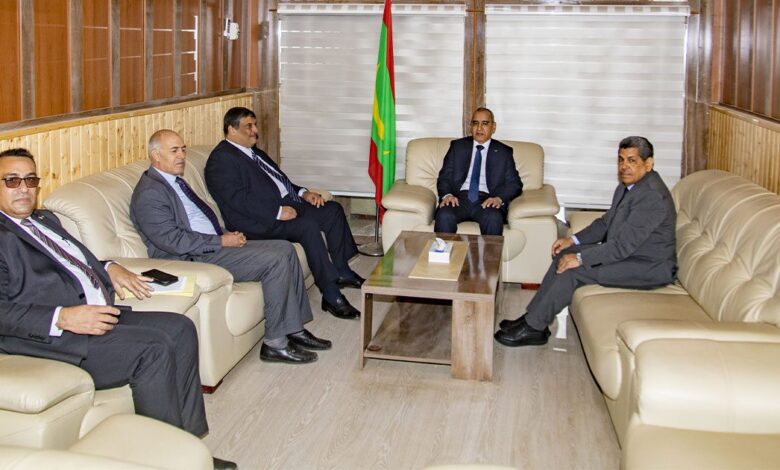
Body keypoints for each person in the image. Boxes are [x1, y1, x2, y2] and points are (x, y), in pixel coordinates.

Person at [0, 148, 236, 470]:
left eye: (30, 180)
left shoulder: (44, 219)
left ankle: (187, 448)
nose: (24, 188)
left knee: (180, 328)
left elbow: (75, 260)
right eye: (12, 181)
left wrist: (109, 266)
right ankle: (162, 461)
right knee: (152, 349)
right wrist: (63, 317)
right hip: (50, 336)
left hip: (96, 313)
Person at [130, 130, 331, 365]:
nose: (182, 156)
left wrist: (225, 233)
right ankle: (275, 343)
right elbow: (173, 241)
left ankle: (294, 329)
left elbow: (199, 219)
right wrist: (220, 242)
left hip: (212, 244)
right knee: (275, 260)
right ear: (155, 155)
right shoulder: (150, 193)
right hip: (191, 258)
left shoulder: (174, 181)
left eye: (183, 149)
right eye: (174, 151)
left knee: (285, 248)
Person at [495, 136, 677, 347]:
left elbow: (621, 247)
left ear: (648, 163)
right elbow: (606, 223)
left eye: (632, 161)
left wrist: (580, 258)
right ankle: (534, 318)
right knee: (564, 255)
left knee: (573, 271)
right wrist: (572, 240)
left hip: (648, 267)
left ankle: (534, 327)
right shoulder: (629, 186)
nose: (624, 167)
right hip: (630, 255)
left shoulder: (651, 196)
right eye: (621, 160)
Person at [205, 107, 362, 320]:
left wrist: (303, 193)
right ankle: (331, 294)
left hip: (283, 204)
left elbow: (281, 182)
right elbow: (238, 201)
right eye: (248, 126)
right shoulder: (221, 159)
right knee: (307, 227)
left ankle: (342, 271)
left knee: (331, 210)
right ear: (231, 129)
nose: (255, 130)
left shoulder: (254, 152)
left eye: (255, 125)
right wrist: (277, 212)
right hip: (256, 220)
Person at [434, 107, 523, 236]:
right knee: (444, 214)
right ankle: (445, 250)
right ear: (471, 127)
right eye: (475, 123)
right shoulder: (457, 147)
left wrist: (499, 198)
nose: (479, 128)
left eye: (485, 123)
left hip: (487, 201)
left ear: (493, 127)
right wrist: (447, 195)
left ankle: (490, 251)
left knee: (493, 217)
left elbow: (515, 184)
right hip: (459, 199)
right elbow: (444, 177)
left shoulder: (504, 152)